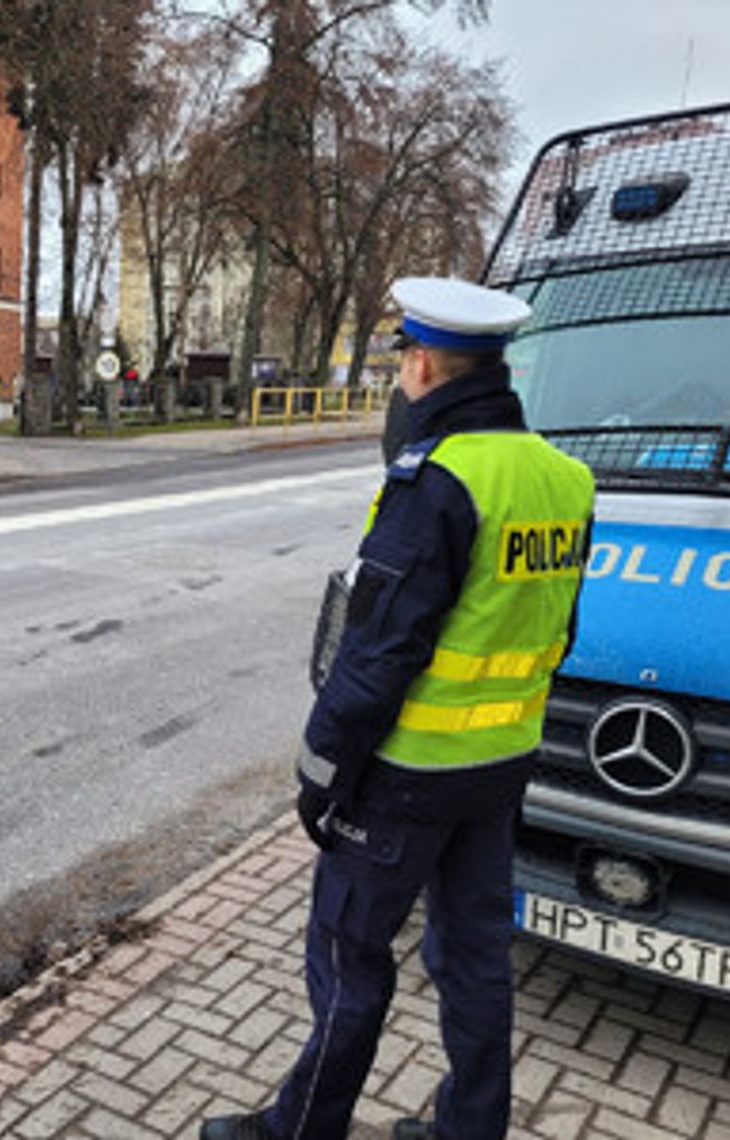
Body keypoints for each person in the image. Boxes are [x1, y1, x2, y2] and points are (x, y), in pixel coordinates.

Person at [200, 278, 595, 1140]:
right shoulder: (566, 478)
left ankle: (300, 1130)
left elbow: (378, 651)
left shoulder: (437, 481)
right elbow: (561, 632)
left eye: (402, 366)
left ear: (421, 365)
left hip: (407, 775)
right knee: (476, 957)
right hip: (501, 769)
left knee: (348, 957)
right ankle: (470, 1129)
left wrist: (322, 770)